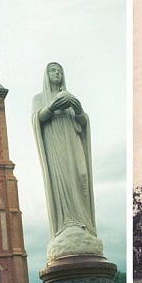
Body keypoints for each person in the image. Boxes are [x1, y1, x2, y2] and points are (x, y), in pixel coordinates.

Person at [32, 62, 101, 259]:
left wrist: (78, 110)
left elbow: (82, 123)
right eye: (53, 70)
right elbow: (36, 120)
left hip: (73, 142)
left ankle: (84, 224)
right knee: (63, 181)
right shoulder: (39, 99)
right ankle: (66, 223)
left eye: (60, 70)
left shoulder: (71, 98)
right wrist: (51, 108)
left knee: (81, 176)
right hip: (56, 148)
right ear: (46, 75)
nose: (57, 73)